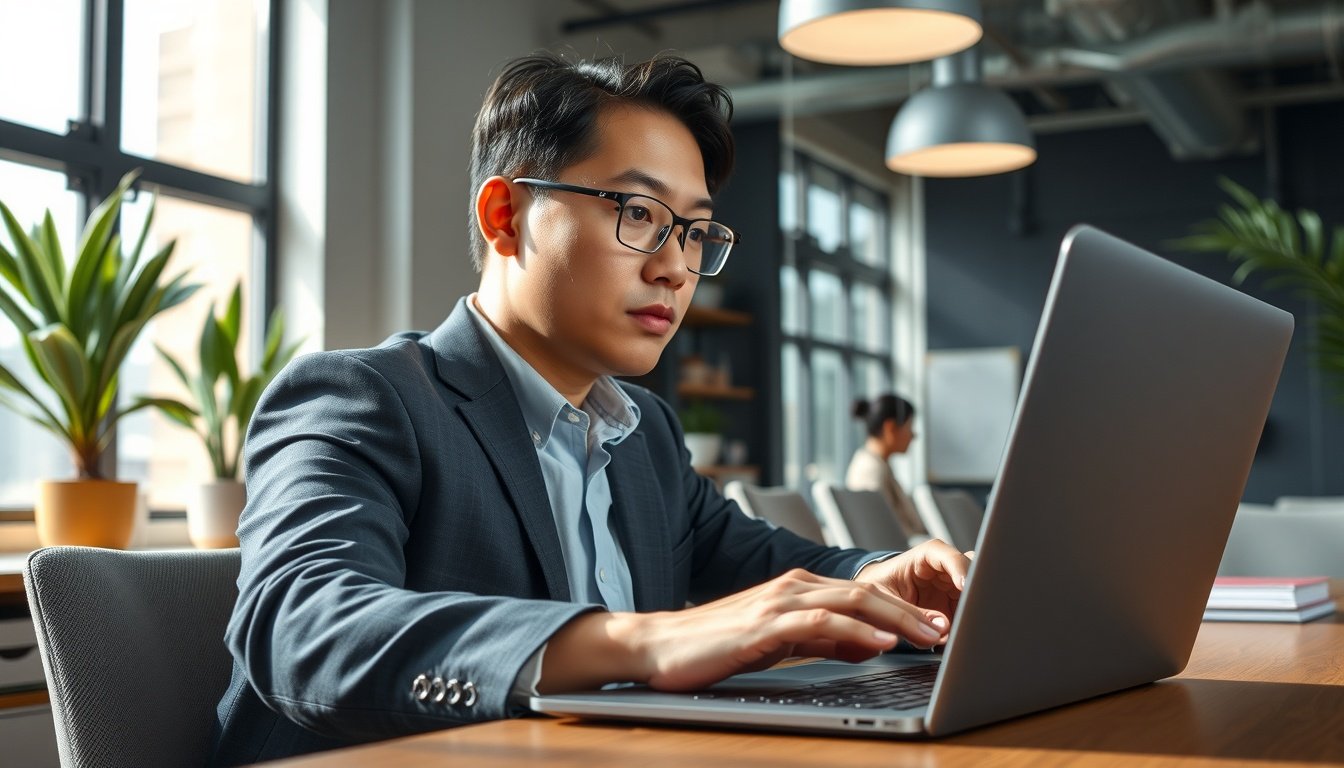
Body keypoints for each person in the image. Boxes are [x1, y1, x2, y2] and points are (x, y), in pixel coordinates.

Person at [211, 51, 970, 765]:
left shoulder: (645, 434)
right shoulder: (365, 397)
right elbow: (301, 629)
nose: (676, 267)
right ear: (505, 215)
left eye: (696, 231)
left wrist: (886, 576)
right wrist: (647, 644)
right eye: (638, 213)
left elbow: (769, 568)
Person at [847, 394, 931, 542]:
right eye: (909, 427)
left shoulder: (875, 465)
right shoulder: (871, 471)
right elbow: (882, 534)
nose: (913, 435)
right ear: (890, 428)